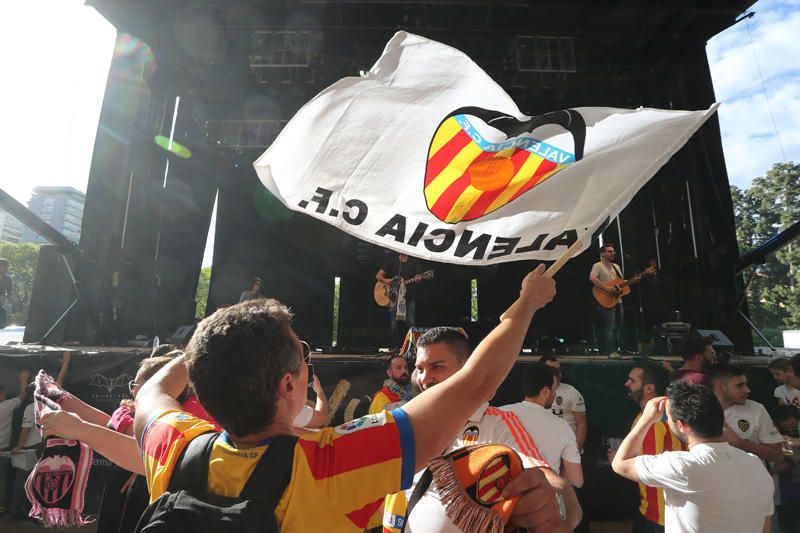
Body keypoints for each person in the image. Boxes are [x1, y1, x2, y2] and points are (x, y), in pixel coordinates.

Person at [135, 265, 578, 532]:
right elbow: (477, 382)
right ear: (289, 388)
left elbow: (152, 392)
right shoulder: (328, 465)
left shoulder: (173, 446)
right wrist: (527, 303)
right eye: (302, 354)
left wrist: (207, 348)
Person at [382, 326, 580, 533]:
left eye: (437, 367)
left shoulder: (496, 423)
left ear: (468, 369)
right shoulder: (407, 424)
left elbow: (554, 485)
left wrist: (558, 502)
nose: (424, 379)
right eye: (420, 369)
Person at [612, 381, 773, 533]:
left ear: (682, 425)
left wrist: (646, 419)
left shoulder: (681, 466)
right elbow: (765, 527)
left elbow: (620, 463)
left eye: (669, 419)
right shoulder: (756, 465)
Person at [618, 364, 684, 533]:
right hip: (670, 513)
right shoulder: (677, 413)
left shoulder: (651, 422)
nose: (627, 383)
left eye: (632, 380)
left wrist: (621, 463)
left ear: (649, 388)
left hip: (659, 516)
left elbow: (649, 472)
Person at [501, 362, 583, 488]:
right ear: (545, 391)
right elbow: (576, 480)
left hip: (502, 498)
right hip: (545, 498)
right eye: (554, 389)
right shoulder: (562, 427)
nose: (555, 394)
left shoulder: (497, 415)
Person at [708, 364, 783, 463]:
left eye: (746, 384)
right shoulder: (699, 411)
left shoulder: (756, 409)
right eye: (739, 385)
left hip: (752, 477)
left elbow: (778, 455)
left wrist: (739, 443)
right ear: (721, 387)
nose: (747, 390)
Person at [541, 355, 587, 452]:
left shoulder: (571, 392)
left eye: (558, 369)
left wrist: (575, 451)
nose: (557, 374)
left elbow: (582, 424)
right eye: (552, 370)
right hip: (543, 449)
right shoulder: (535, 392)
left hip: (567, 448)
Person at [376, 253, 422, 349]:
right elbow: (378, 276)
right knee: (394, 323)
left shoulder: (414, 262)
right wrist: (387, 281)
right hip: (394, 297)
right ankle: (394, 348)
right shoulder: (392, 261)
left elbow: (418, 276)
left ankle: (412, 348)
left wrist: (418, 278)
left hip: (409, 297)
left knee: (410, 321)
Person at [0, 369, 30, 515]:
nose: (5, 394)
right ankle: (1, 507)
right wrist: (24, 380)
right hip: (3, 450)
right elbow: (23, 396)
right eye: (3, 393)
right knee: (2, 481)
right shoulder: (6, 406)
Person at [589, 243, 624, 354]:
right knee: (610, 326)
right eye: (609, 251)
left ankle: (616, 348)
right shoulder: (598, 265)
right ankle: (610, 351)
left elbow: (620, 282)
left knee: (619, 325)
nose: (612, 253)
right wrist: (607, 288)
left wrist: (634, 279)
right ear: (602, 253)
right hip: (606, 299)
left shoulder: (616, 267)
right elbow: (592, 278)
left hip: (618, 300)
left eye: (613, 251)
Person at [0, 258, 12, 329]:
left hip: (1, 304)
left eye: (7, 266)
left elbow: (9, 291)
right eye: (5, 266)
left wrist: (6, 296)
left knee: (2, 323)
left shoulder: (8, 279)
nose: (7, 268)